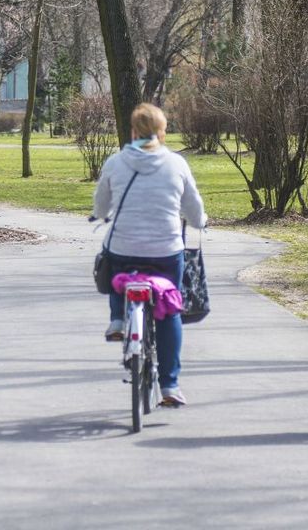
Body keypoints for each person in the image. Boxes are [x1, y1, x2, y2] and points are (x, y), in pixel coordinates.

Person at [91, 103, 207, 407]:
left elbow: (101, 204)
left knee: (112, 259)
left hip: (124, 249)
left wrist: (100, 215)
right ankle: (169, 386)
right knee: (170, 310)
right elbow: (193, 207)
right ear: (162, 132)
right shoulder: (177, 164)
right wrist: (200, 222)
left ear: (133, 131)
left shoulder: (115, 162)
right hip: (166, 252)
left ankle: (118, 320)